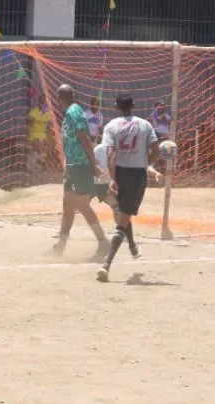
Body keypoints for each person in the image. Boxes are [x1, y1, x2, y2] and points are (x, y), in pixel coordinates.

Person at [96, 94, 160, 283]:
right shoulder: (145, 125)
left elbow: (110, 155)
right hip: (136, 175)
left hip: (119, 173)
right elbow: (156, 150)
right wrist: (146, 163)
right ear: (133, 106)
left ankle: (132, 247)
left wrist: (114, 179)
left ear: (116, 107)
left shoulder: (111, 126)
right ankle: (106, 265)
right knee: (123, 218)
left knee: (125, 210)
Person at [51, 84, 110, 257]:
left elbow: (84, 140)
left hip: (82, 165)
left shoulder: (74, 112)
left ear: (61, 98)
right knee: (68, 205)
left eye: (58, 96)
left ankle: (103, 242)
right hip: (72, 166)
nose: (57, 100)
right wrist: (67, 165)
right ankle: (61, 246)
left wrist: (94, 166)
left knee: (82, 205)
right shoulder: (70, 112)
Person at [91, 140, 163, 259]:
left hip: (99, 185)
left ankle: (128, 246)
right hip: (99, 184)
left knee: (118, 210)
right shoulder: (107, 150)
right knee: (122, 212)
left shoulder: (104, 148)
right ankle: (131, 247)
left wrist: (155, 173)